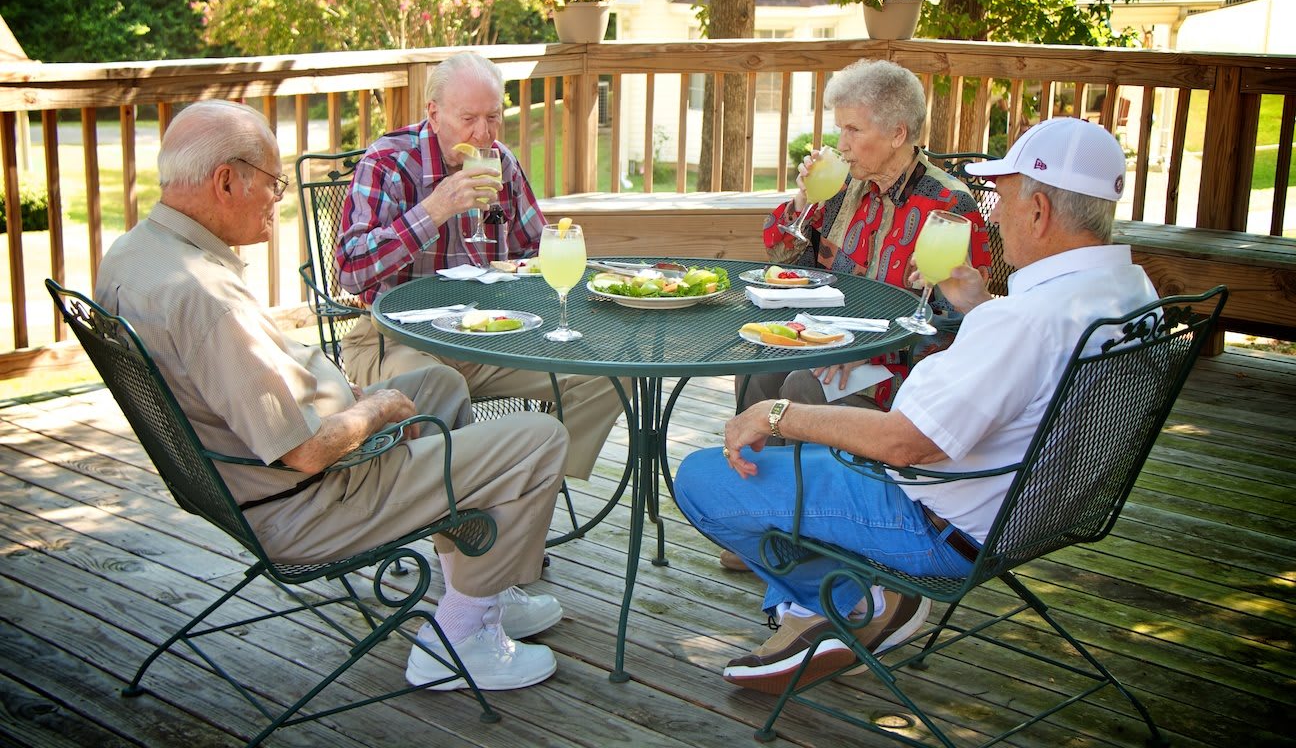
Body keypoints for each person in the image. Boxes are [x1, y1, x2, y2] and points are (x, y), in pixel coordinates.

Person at [95, 99, 569, 692]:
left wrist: (347, 396)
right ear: (225, 182)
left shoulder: (138, 253)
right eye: (272, 182)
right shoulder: (204, 299)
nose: (279, 197)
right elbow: (307, 454)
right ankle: (460, 639)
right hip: (309, 504)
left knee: (439, 385)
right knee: (539, 439)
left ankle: (478, 583)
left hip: (239, 482)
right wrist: (374, 408)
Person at [675, 117, 1156, 696]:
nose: (995, 217)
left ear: (1040, 211)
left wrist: (775, 415)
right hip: (1039, 516)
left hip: (933, 523)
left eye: (1002, 199)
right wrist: (979, 305)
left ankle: (856, 602)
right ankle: (827, 604)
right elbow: (1029, 375)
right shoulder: (1132, 294)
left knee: (702, 476)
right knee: (784, 437)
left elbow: (904, 443)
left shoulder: (1028, 320)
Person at [722, 60, 991, 572]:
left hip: (902, 365)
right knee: (758, 366)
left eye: (853, 130)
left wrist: (862, 349)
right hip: (830, 339)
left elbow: (953, 321)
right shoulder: (843, 187)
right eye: (838, 128)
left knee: (803, 387)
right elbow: (782, 256)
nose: (840, 144)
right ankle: (763, 520)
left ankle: (807, 531)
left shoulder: (950, 206)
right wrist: (803, 201)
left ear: (897, 133)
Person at [336, 51, 624, 480]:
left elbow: (535, 250)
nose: (483, 133)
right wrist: (435, 209)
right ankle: (459, 522)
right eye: (468, 118)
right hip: (393, 340)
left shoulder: (499, 163)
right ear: (433, 113)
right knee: (436, 383)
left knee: (607, 373)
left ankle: (528, 489)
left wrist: (566, 261)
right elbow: (350, 270)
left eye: (493, 118)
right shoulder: (388, 163)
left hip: (488, 334)